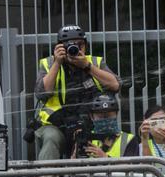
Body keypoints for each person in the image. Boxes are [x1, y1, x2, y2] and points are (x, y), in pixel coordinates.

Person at [34, 25, 121, 160]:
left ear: (86, 46)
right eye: (69, 45)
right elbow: (41, 93)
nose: (75, 48)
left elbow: (115, 85)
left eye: (80, 44)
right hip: (57, 125)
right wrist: (57, 63)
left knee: (102, 141)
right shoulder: (48, 64)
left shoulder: (95, 62)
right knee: (51, 138)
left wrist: (87, 66)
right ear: (59, 47)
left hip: (92, 123)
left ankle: (102, 175)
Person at [72, 94, 138, 159]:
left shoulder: (128, 140)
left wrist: (105, 158)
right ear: (91, 117)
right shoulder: (86, 137)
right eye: (101, 117)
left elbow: (131, 166)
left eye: (109, 116)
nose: (105, 120)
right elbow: (73, 167)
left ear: (116, 114)